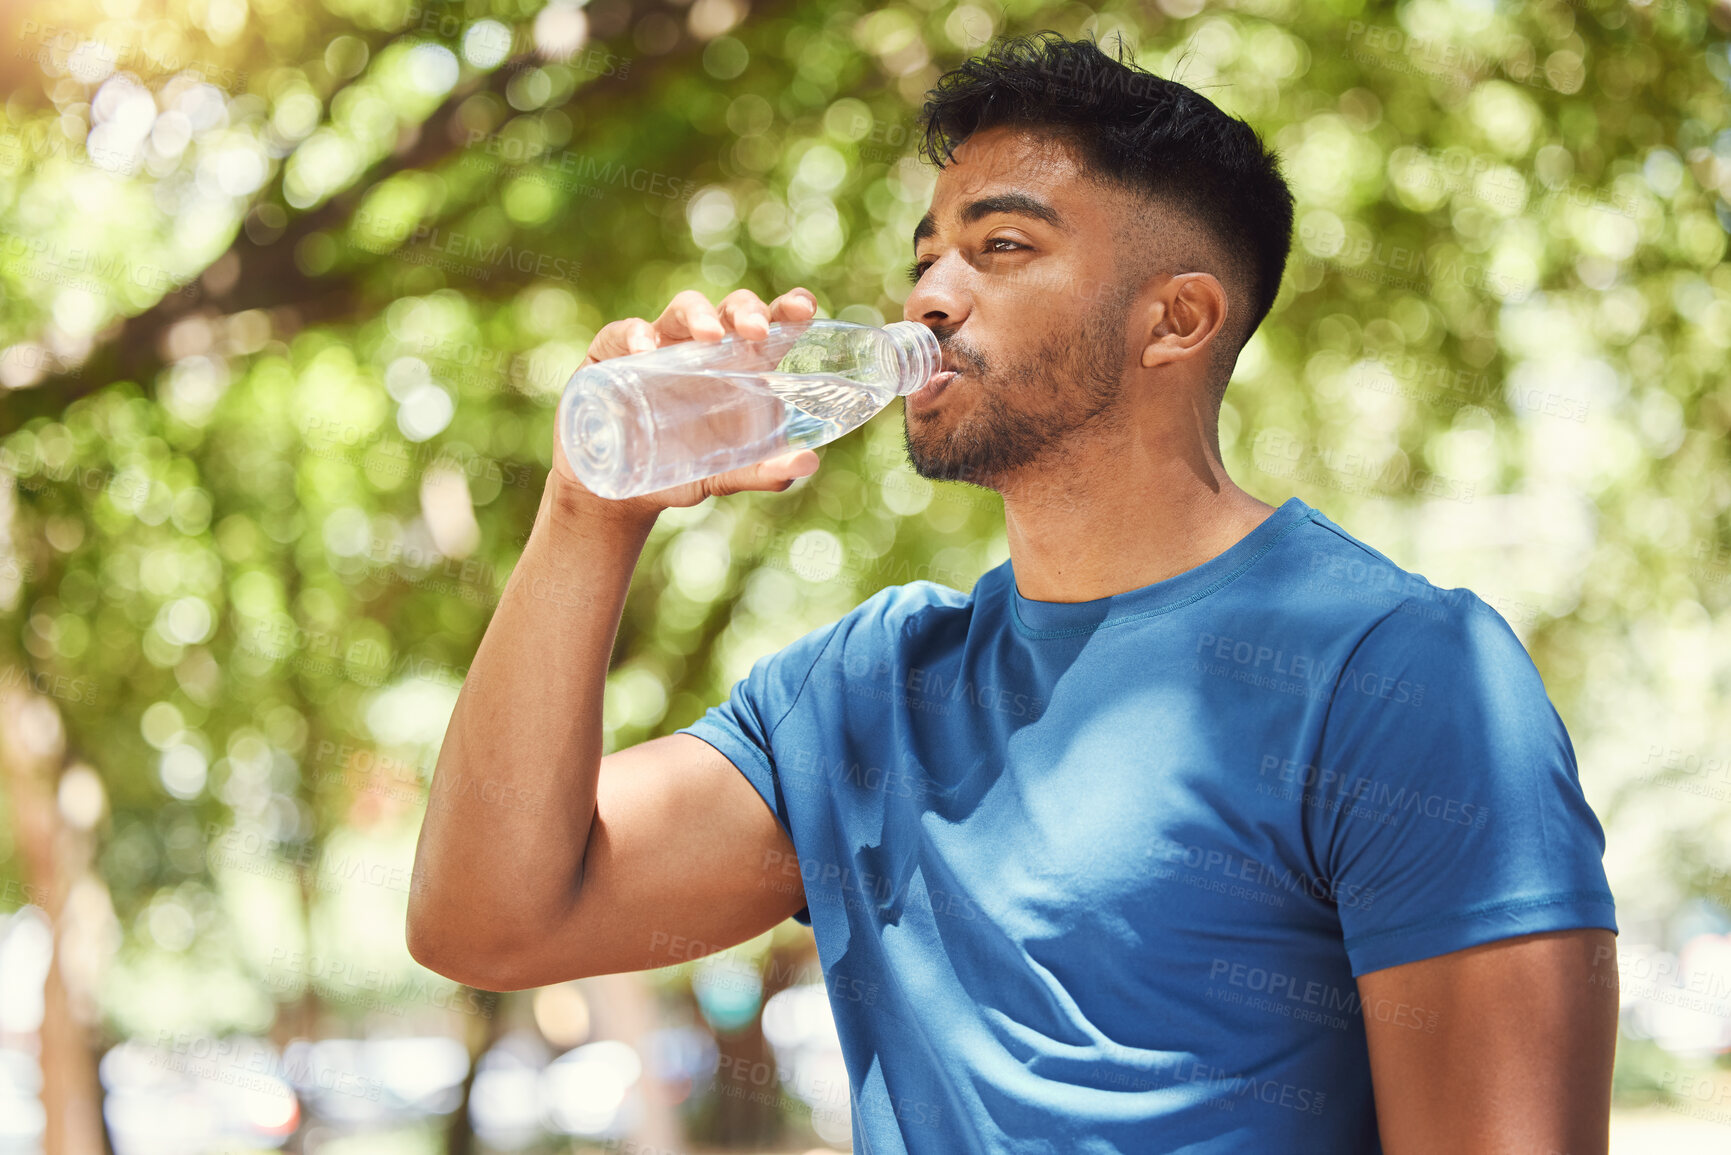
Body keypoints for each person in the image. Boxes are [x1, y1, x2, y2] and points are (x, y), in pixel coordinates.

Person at [408, 32, 1618, 1155]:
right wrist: (586, 513)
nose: (930, 296)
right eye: (926, 254)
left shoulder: (1401, 671)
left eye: (1001, 247)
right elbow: (489, 920)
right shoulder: (866, 695)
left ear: (1175, 320)